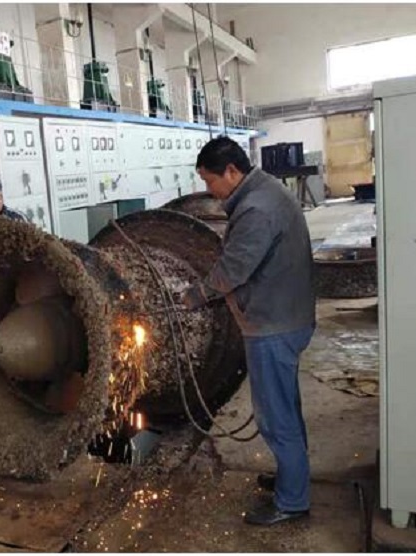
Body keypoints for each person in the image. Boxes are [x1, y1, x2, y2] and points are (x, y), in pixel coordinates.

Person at [176, 136, 316, 526]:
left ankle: (292, 501)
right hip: (287, 315)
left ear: (232, 171)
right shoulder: (266, 190)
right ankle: (292, 478)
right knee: (286, 408)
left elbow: (234, 268)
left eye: (210, 181)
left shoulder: (256, 209)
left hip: (273, 325)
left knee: (275, 417)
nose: (210, 191)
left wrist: (194, 296)